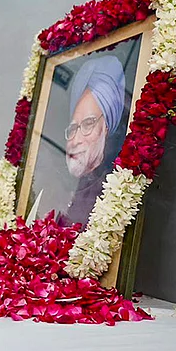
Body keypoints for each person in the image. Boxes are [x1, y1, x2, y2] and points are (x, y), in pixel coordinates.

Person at [57, 55, 126, 226]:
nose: (75, 140)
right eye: (73, 128)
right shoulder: (62, 187)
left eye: (88, 124)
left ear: (106, 129)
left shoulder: (117, 191)